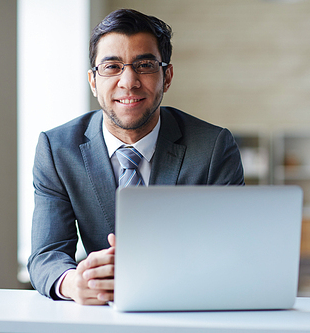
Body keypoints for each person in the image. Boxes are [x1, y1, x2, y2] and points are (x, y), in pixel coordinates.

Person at [28, 8, 244, 305]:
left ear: (166, 77)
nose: (128, 82)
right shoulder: (57, 150)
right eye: (112, 67)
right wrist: (72, 283)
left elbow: (232, 250)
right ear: (93, 81)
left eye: (143, 65)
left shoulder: (213, 146)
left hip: (186, 309)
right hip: (102, 315)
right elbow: (46, 255)